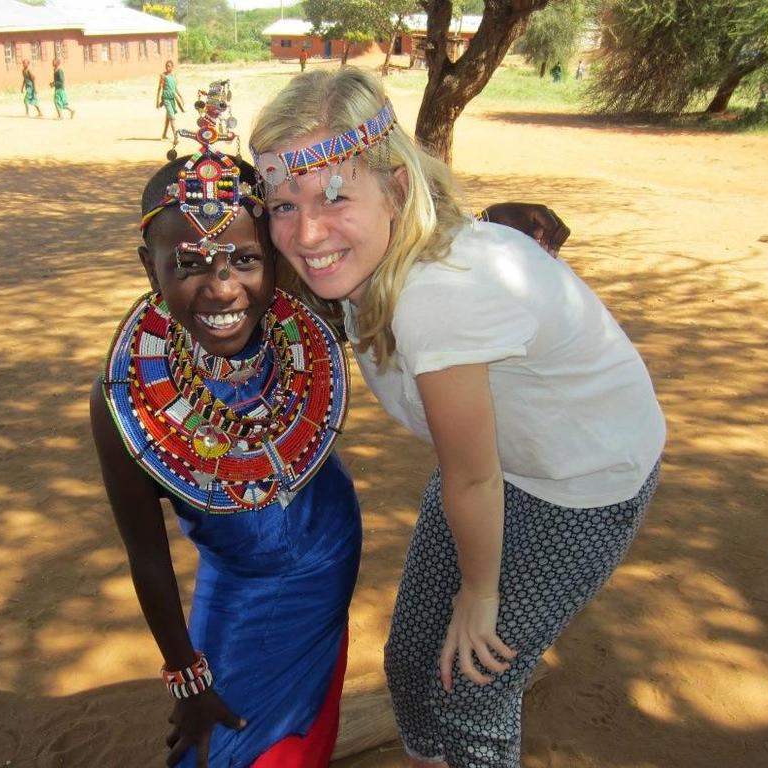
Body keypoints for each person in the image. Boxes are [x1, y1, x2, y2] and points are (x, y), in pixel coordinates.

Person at [249, 68, 666, 768]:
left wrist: (481, 593)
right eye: (282, 205)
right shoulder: (369, 259)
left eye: (334, 196)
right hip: (494, 467)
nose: (307, 230)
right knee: (413, 659)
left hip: (583, 479)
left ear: (398, 190)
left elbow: (473, 479)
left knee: (475, 683)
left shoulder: (438, 296)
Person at [90, 85, 360, 768]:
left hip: (330, 556)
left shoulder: (300, 333)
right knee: (223, 748)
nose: (221, 289)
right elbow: (148, 557)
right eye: (187, 265)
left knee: (306, 735)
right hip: (244, 587)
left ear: (271, 258)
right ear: (146, 266)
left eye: (244, 260)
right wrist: (188, 679)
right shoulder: (126, 399)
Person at [157, 60, 186, 143]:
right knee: (172, 117)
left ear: (172, 67)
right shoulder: (163, 76)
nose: (167, 67)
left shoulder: (174, 76)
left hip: (172, 99)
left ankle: (164, 135)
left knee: (168, 117)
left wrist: (181, 97)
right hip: (165, 98)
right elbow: (159, 88)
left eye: (169, 66)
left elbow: (175, 88)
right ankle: (175, 137)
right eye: (166, 66)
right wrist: (157, 101)